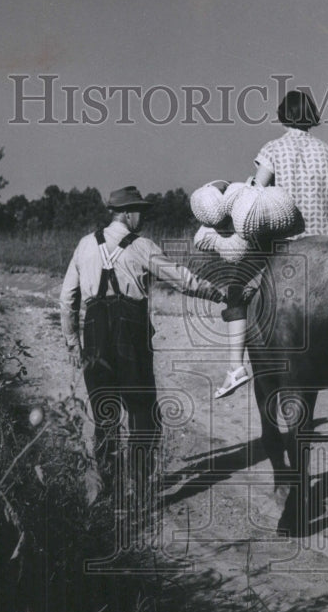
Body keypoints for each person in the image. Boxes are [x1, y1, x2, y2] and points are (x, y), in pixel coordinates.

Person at [61, 186, 224, 503]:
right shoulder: (141, 246)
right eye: (141, 211)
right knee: (142, 411)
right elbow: (181, 278)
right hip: (129, 335)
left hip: (94, 335)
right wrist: (217, 293)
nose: (144, 217)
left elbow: (67, 298)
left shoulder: (84, 245)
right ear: (126, 213)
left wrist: (72, 344)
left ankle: (106, 488)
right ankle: (141, 486)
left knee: (105, 412)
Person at [215, 90, 328, 399]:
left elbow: (255, 194)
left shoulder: (272, 150)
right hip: (327, 242)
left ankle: (235, 368)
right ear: (312, 116)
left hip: (284, 246)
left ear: (283, 115)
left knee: (237, 289)